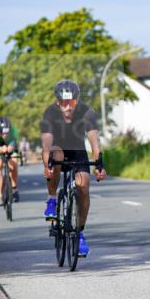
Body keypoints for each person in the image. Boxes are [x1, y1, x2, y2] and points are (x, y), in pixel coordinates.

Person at [41, 80, 106, 257]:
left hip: (78, 151)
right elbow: (46, 144)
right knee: (57, 156)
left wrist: (99, 164)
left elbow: (94, 140)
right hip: (57, 149)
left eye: (72, 102)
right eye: (64, 102)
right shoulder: (50, 113)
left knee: (83, 186)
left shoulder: (86, 112)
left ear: (77, 101)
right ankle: (52, 200)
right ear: (57, 102)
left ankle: (80, 233)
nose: (68, 107)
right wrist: (47, 165)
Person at [0, 116, 20, 205]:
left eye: (7, 132)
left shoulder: (14, 130)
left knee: (14, 164)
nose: (5, 135)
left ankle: (14, 189)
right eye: (2, 132)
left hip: (10, 145)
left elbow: (13, 143)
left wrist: (10, 147)